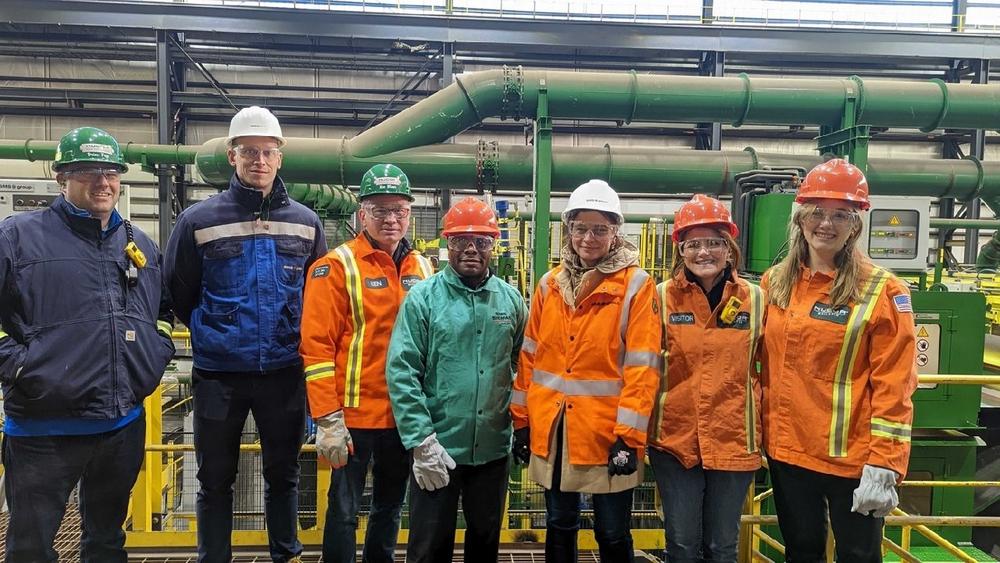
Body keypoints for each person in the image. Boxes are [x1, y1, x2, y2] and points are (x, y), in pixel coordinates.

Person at [0, 127, 174, 562]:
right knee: (31, 548)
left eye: (111, 172)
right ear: (61, 177)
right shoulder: (17, 237)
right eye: (88, 172)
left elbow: (163, 311)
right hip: (44, 428)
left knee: (107, 541)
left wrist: (155, 353)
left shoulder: (139, 243)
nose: (103, 182)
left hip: (120, 425)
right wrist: (19, 365)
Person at [164, 106, 326, 563]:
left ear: (280, 158)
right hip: (219, 374)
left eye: (268, 152)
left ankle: (285, 555)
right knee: (215, 480)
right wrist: (216, 332)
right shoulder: (198, 221)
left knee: (284, 475)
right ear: (232, 156)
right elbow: (179, 291)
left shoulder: (306, 222)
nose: (260, 160)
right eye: (250, 151)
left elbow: (319, 295)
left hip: (284, 372)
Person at [760, 158, 917, 562]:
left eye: (840, 215)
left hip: (853, 460)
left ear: (855, 225)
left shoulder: (883, 291)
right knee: (801, 552)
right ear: (800, 218)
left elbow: (895, 384)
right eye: (817, 212)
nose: (825, 224)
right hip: (787, 453)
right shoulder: (775, 283)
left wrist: (885, 462)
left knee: (859, 556)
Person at [511, 179, 661, 563]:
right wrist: (521, 422)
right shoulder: (549, 285)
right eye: (580, 228)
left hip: (608, 433)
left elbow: (643, 367)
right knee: (559, 523)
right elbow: (530, 358)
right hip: (555, 427)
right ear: (569, 229)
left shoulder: (637, 286)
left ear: (615, 232)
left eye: (599, 229)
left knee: (611, 531)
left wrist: (628, 437)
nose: (588, 238)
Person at [299, 163, 433, 563]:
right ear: (362, 214)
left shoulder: (422, 268)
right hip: (351, 419)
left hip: (402, 416)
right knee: (343, 512)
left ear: (409, 213)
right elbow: (316, 348)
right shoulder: (335, 266)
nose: (391, 219)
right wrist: (327, 419)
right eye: (380, 210)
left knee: (390, 508)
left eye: (399, 210)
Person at [385, 197, 527, 563]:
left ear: (493, 245)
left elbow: (525, 367)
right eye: (461, 240)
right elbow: (402, 371)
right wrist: (421, 441)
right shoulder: (424, 299)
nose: (471, 249)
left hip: (493, 449)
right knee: (429, 549)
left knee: (485, 545)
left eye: (481, 241)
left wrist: (523, 426)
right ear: (447, 243)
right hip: (438, 448)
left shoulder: (511, 302)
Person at [647, 194, 764, 562]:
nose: (703, 252)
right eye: (693, 244)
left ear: (729, 248)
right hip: (675, 441)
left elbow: (775, 372)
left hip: (733, 440)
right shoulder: (661, 298)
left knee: (721, 546)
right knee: (682, 545)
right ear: (680, 251)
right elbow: (642, 368)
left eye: (714, 242)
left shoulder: (757, 300)